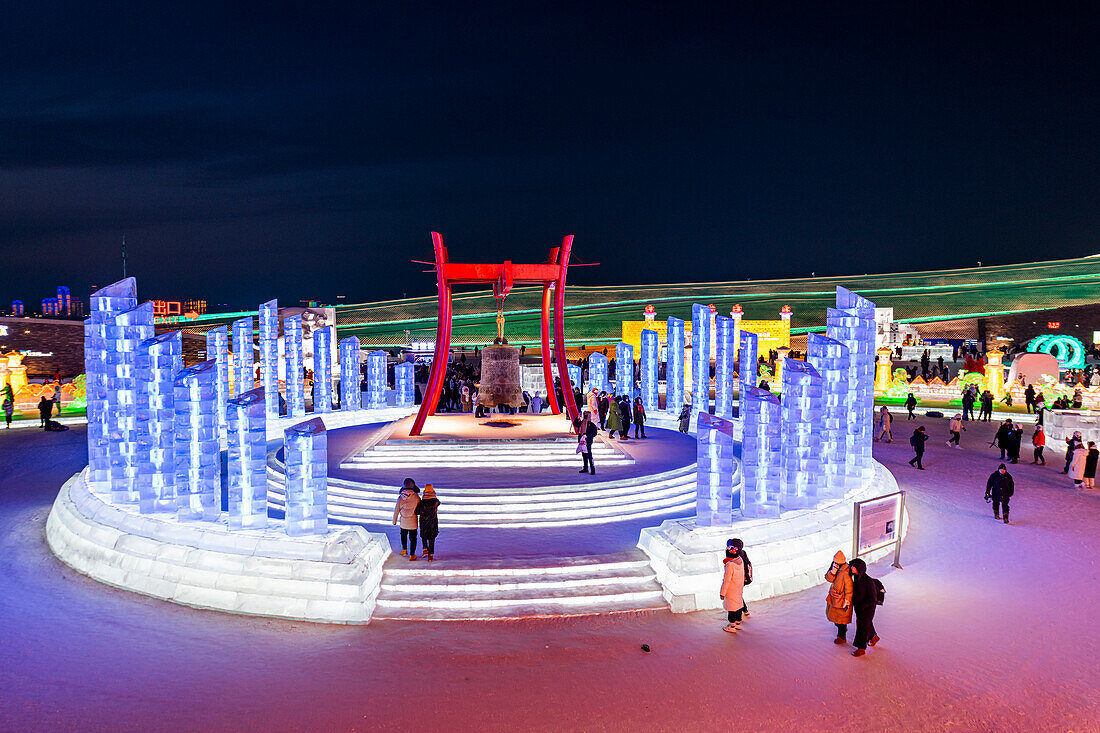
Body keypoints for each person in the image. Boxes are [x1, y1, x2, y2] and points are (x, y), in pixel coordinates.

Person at [849, 558, 879, 657]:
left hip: (867, 608)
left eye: (854, 566)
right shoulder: (857, 578)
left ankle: (861, 649)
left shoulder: (868, 581)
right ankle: (874, 637)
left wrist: (862, 606)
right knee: (866, 624)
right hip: (859, 608)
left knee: (862, 627)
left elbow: (873, 599)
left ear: (859, 568)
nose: (851, 568)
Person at [824, 550, 854, 645]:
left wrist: (847, 600)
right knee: (836, 619)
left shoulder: (845, 573)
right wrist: (833, 571)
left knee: (841, 621)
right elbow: (829, 579)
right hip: (834, 598)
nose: (835, 564)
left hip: (841, 601)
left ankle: (842, 637)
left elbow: (849, 588)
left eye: (837, 563)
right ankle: (842, 633)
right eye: (834, 562)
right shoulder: (835, 567)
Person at [719, 542, 746, 633]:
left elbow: (726, 581)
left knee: (731, 608)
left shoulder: (730, 565)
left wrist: (722, 593)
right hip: (739, 587)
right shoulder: (740, 561)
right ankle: (738, 624)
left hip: (731, 589)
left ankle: (732, 626)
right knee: (738, 605)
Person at [392, 478, 421, 560]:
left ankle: (404, 550)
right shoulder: (416, 497)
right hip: (413, 522)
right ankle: (412, 555)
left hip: (404, 522)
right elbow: (420, 509)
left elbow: (396, 510)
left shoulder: (400, 498)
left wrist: (394, 521)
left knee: (403, 535)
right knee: (413, 538)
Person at [414, 484, 440, 561]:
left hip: (423, 522)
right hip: (433, 522)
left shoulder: (422, 502)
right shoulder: (436, 502)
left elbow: (417, 511)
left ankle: (425, 550)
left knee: (424, 536)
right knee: (432, 538)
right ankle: (430, 554)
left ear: (425, 491)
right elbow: (438, 503)